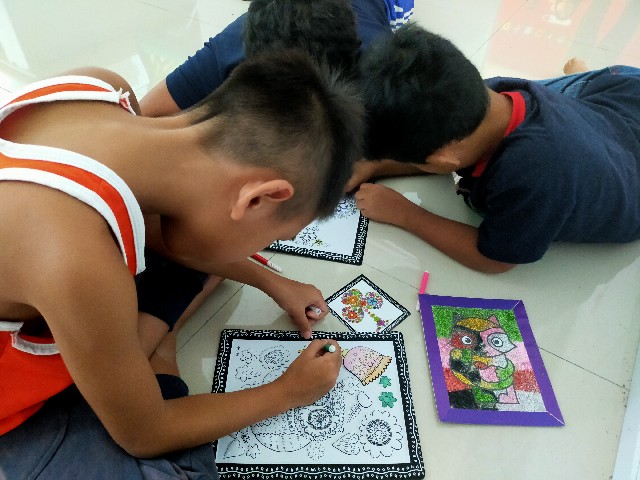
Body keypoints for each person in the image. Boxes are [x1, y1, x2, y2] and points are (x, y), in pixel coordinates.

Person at [0, 49, 363, 478]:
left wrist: (272, 281)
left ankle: (144, 344)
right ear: (258, 198)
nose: (264, 247)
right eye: (273, 237)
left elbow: (145, 221)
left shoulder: (101, 87)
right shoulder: (76, 260)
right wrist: (289, 391)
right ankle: (155, 347)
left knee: (191, 257)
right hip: (15, 390)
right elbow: (144, 433)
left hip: (57, 272)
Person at [351, 23, 640, 273]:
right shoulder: (484, 96)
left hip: (621, 126)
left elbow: (494, 259)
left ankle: (578, 80)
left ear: (443, 161)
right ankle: (578, 77)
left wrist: (405, 214)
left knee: (572, 103)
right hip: (617, 93)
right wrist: (372, 166)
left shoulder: (533, 177)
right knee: (571, 94)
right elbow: (444, 151)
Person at [140, 0, 414, 117]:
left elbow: (438, 151)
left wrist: (372, 167)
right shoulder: (235, 43)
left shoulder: (384, 66)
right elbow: (143, 114)